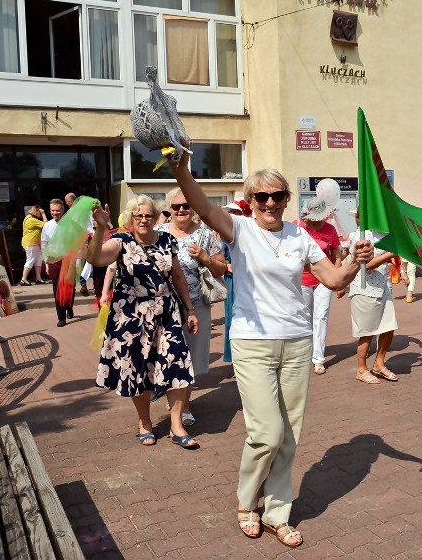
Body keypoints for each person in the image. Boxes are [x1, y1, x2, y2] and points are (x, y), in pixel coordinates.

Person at [170, 158, 374, 549]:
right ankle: (247, 503)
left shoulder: (300, 237)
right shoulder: (240, 229)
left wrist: (354, 259)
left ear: (286, 199)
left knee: (290, 434)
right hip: (253, 343)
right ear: (250, 200)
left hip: (296, 341)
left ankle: (277, 513)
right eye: (261, 196)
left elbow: (333, 280)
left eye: (276, 195)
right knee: (267, 432)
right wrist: (181, 167)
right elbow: (203, 205)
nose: (269, 202)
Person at [88, 195, 200, 449]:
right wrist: (100, 229)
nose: (143, 220)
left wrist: (190, 308)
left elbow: (179, 276)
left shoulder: (166, 240)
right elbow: (95, 259)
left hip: (165, 311)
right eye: (138, 216)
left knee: (176, 364)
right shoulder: (121, 242)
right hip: (130, 315)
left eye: (148, 215)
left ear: (156, 217)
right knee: (138, 369)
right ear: (130, 219)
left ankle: (176, 425)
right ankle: (144, 422)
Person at [156, 188, 227, 427]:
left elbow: (220, 268)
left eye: (186, 205)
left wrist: (205, 257)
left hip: (195, 304)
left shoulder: (205, 235)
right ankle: (175, 400)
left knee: (192, 356)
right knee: (168, 356)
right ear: (170, 209)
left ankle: (184, 404)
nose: (181, 210)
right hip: (164, 306)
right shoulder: (160, 233)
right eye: (176, 207)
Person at [347, 209, 407, 385]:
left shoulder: (381, 234)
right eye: (357, 215)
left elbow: (392, 257)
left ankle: (379, 364)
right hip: (364, 289)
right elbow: (367, 265)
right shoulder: (360, 236)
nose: (358, 218)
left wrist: (400, 268)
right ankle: (361, 369)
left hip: (382, 287)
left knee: (388, 328)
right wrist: (391, 253)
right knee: (367, 332)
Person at [294, 196, 341, 375]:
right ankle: (303, 355)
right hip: (302, 279)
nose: (318, 219)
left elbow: (336, 254)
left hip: (324, 280)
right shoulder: (298, 227)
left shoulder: (330, 230)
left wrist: (338, 279)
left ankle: (318, 358)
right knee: (303, 317)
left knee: (321, 317)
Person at [220, 200, 252, 363]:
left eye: (235, 212)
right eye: (230, 212)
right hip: (233, 281)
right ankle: (234, 356)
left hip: (252, 281)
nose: (231, 215)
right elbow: (220, 260)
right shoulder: (226, 235)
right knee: (233, 318)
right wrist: (231, 266)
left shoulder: (252, 232)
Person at [41, 199, 75, 327]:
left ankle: (69, 306)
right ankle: (61, 317)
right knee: (57, 289)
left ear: (63, 210)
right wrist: (46, 263)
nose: (55, 213)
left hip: (69, 259)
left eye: (58, 210)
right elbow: (44, 245)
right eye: (53, 211)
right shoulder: (47, 226)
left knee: (69, 288)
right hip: (54, 260)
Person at [20, 205, 46, 285]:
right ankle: (23, 279)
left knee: (38, 260)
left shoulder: (28, 218)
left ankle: (38, 278)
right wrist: (43, 214)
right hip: (31, 243)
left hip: (34, 243)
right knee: (30, 260)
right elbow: (46, 224)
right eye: (39, 212)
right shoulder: (31, 220)